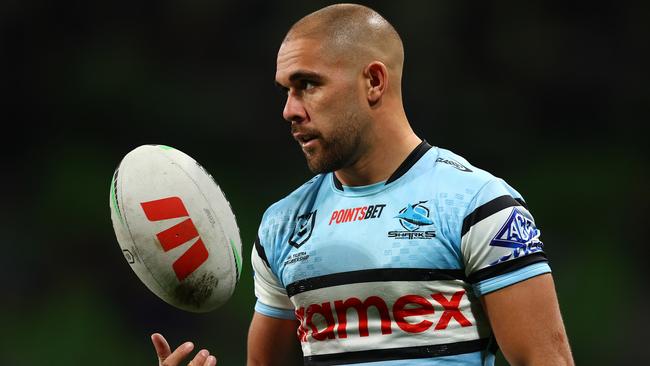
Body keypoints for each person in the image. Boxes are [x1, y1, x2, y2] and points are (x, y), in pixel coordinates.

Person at [152, 3, 574, 366]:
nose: (289, 110)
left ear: (373, 81)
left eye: (308, 85)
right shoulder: (281, 225)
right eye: (286, 91)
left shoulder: (478, 206)